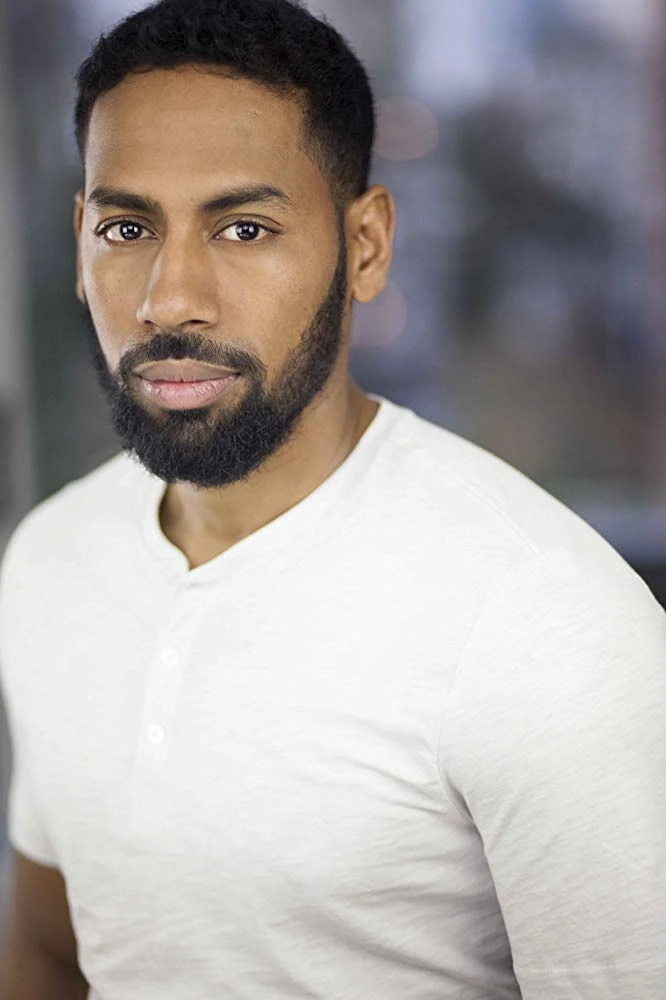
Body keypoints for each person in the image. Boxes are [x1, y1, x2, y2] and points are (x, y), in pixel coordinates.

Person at [0, 0, 664, 997]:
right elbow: (53, 953)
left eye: (244, 227)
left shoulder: (545, 619)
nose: (169, 297)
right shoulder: (50, 558)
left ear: (366, 246)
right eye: (126, 227)